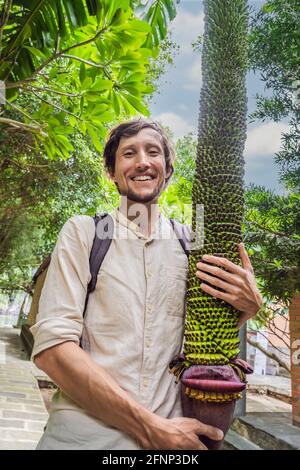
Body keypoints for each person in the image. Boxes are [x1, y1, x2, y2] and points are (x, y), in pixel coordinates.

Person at [31, 118, 263, 450]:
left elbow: (206, 337)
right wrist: (150, 427)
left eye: (153, 152)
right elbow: (52, 350)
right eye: (128, 153)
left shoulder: (192, 245)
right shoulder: (84, 233)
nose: (142, 161)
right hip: (80, 440)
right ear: (111, 171)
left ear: (167, 170)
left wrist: (248, 306)